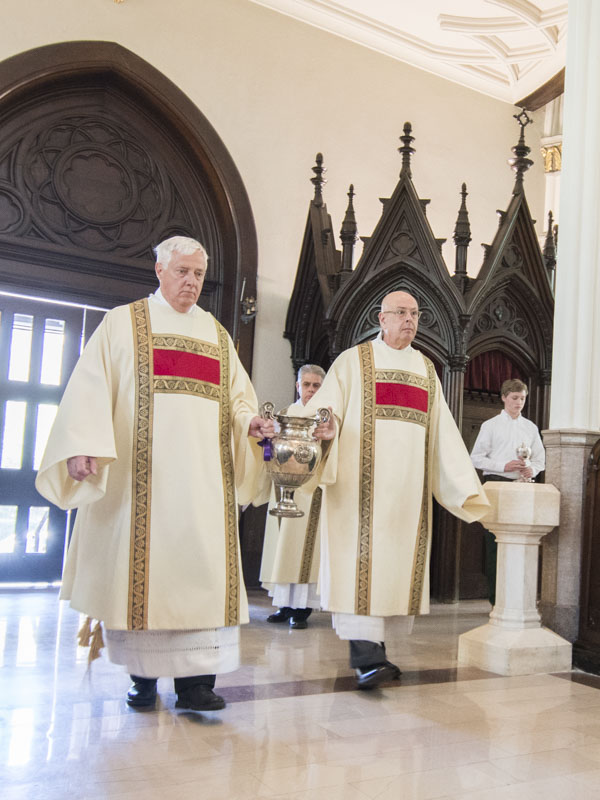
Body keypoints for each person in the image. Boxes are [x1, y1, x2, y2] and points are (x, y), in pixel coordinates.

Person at [35, 236, 274, 712]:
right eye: (183, 271)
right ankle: (142, 679)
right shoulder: (123, 324)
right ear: (160, 271)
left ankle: (196, 685)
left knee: (201, 575)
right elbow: (90, 387)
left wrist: (249, 421)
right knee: (140, 571)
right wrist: (82, 444)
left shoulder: (216, 334)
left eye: (199, 275)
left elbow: (238, 397)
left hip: (203, 486)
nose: (191, 282)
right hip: (138, 483)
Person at [306, 290, 489, 690]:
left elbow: (443, 432)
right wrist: (327, 427)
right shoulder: (353, 362)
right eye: (400, 313)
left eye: (415, 314)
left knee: (391, 575)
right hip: (358, 492)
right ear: (381, 318)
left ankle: (377, 654)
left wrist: (465, 489)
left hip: (406, 495)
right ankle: (367, 658)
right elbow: (324, 410)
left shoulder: (425, 369)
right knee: (359, 569)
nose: (409, 320)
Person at [260, 364, 326, 629]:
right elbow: (268, 449)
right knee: (282, 547)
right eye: (306, 384)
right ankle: (284, 604)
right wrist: (268, 441)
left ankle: (302, 608)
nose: (310, 390)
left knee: (303, 549)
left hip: (310, 491)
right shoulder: (284, 414)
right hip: (281, 488)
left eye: (316, 385)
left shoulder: (325, 419)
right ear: (297, 385)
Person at [470, 378, 545, 605]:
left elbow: (540, 460)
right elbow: (476, 458)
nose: (518, 403)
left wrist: (531, 468)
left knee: (522, 542)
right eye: (514, 398)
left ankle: (518, 599)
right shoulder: (490, 425)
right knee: (495, 543)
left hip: (522, 487)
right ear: (504, 398)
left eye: (522, 398)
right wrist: (504, 466)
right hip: (496, 484)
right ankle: (497, 600)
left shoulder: (530, 427)